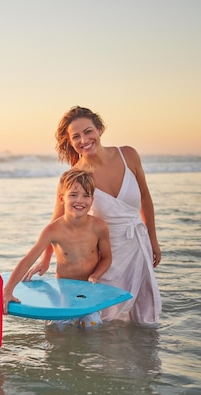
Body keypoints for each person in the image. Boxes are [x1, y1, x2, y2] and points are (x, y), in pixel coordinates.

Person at [27, 106, 162, 327]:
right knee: (104, 318)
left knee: (141, 320)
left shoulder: (128, 155)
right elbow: (57, 222)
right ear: (70, 142)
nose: (84, 140)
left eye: (88, 131)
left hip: (139, 246)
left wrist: (153, 241)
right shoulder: (73, 177)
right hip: (106, 257)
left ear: (99, 129)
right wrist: (45, 258)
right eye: (76, 136)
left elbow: (145, 198)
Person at [2, 169, 112, 328]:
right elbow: (27, 260)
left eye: (86, 195)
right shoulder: (52, 230)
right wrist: (8, 291)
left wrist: (95, 276)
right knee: (57, 332)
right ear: (62, 198)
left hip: (89, 293)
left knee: (93, 329)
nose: (80, 200)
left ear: (92, 199)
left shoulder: (99, 227)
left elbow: (107, 257)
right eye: (73, 195)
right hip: (64, 291)